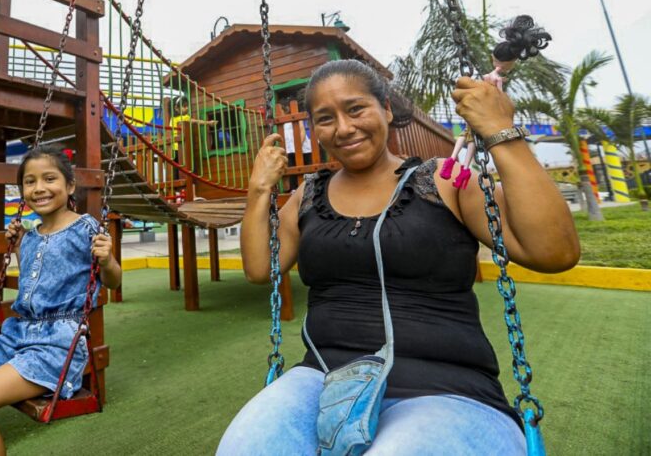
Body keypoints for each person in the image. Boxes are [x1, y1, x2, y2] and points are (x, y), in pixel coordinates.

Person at [218, 59, 579, 455]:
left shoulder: (443, 180)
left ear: (386, 109)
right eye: (325, 118)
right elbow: (260, 269)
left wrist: (501, 134)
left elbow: (554, 251)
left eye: (356, 109)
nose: (343, 128)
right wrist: (259, 188)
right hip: (323, 379)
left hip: (444, 389)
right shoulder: (308, 196)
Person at [0, 145, 122, 456]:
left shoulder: (86, 229)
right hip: (17, 336)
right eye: (29, 181)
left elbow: (113, 280)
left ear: (69, 186)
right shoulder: (30, 236)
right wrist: (17, 248)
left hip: (57, 345)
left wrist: (107, 261)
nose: (39, 188)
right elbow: (38, 277)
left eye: (49, 178)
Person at [281, 97, 312, 191]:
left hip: (303, 148)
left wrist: (299, 144)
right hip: (290, 150)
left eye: (281, 110)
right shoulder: (283, 122)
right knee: (292, 168)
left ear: (286, 109)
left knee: (307, 167)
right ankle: (294, 188)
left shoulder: (296, 118)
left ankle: (309, 186)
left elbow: (302, 131)